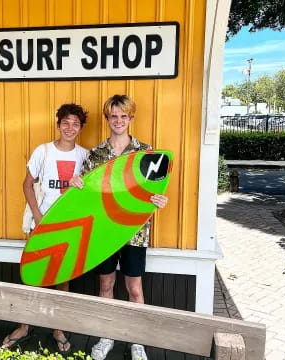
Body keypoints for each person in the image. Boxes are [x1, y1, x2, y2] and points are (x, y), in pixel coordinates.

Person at [69, 94, 168, 360]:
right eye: (114, 116)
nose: (119, 121)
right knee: (106, 285)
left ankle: (138, 341)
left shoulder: (146, 153)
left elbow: (151, 193)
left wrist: (159, 200)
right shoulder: (96, 154)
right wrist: (78, 185)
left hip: (134, 232)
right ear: (107, 119)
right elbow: (88, 197)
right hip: (103, 232)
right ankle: (106, 335)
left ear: (131, 118)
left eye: (124, 116)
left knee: (135, 289)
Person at [2, 103, 89, 355]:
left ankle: (58, 328)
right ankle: (24, 325)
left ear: (81, 127)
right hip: (41, 224)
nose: (70, 127)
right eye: (66, 122)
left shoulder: (84, 155)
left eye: (75, 123)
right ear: (58, 123)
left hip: (68, 226)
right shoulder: (44, 151)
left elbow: (90, 193)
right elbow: (27, 185)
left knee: (63, 277)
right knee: (32, 274)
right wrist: (38, 217)